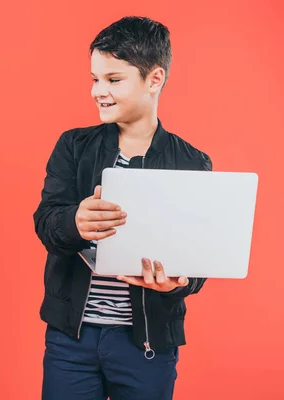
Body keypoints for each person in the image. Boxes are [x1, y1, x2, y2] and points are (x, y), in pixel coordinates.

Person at [33, 16, 212, 400]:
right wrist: (74, 222)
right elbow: (46, 223)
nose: (98, 90)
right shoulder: (74, 147)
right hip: (72, 341)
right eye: (95, 78)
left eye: (113, 79)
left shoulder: (193, 163)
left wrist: (177, 282)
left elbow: (199, 263)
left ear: (154, 79)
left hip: (146, 345)